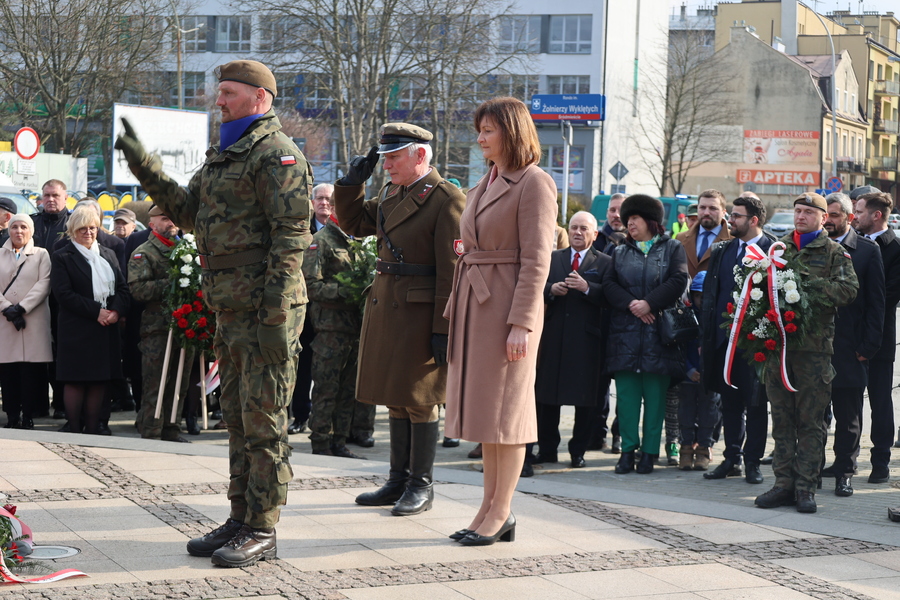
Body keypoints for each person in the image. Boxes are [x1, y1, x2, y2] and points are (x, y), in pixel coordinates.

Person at [115, 59, 313, 567]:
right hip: (230, 308)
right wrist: (143, 165)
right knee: (238, 419)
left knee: (264, 420)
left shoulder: (276, 155)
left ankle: (263, 527)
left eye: (228, 92)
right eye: (219, 92)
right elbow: (186, 211)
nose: (218, 101)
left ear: (259, 98)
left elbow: (292, 238)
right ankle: (240, 516)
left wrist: (275, 314)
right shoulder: (226, 154)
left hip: (265, 310)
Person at [334, 123, 464, 517]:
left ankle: (421, 484)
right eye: (385, 158)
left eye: (393, 157)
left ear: (419, 155)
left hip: (420, 314)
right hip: (389, 305)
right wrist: (351, 184)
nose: (386, 165)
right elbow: (354, 224)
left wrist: (444, 328)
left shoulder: (446, 198)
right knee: (395, 398)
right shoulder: (392, 193)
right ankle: (397, 479)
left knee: (420, 401)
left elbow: (452, 272)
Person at [443, 96, 557, 546]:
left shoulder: (535, 183)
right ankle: (488, 507)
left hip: (508, 310)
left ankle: (501, 510)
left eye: (488, 130)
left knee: (507, 418)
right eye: (480, 129)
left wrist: (522, 324)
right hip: (478, 307)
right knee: (489, 418)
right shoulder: (484, 183)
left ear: (511, 132)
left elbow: (537, 261)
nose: (480, 138)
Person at [754, 193, 857, 514]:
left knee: (811, 423)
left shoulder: (834, 252)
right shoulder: (778, 248)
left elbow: (848, 290)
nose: (800, 216)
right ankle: (783, 484)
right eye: (797, 211)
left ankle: (805, 488)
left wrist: (802, 285)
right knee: (782, 421)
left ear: (823, 218)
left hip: (813, 353)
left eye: (808, 212)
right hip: (779, 350)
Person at [603, 194, 689, 475]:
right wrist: (633, 305)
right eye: (627, 220)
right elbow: (609, 284)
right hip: (625, 336)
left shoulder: (672, 248)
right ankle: (627, 451)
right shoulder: (620, 251)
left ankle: (650, 452)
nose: (629, 224)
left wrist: (649, 303)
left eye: (635, 219)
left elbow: (678, 280)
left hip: (659, 337)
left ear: (650, 221)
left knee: (655, 400)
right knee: (627, 399)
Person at [701, 195, 772, 484]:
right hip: (723, 342)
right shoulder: (722, 250)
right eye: (731, 214)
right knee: (728, 404)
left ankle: (753, 461)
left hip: (757, 345)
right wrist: (708, 337)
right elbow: (712, 295)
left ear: (753, 220)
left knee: (755, 405)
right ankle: (732, 458)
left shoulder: (773, 250)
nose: (730, 220)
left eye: (736, 216)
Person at [534, 211, 610, 469]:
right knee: (547, 398)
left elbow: (610, 297)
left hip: (586, 342)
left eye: (583, 228)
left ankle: (578, 452)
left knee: (585, 400)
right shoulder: (553, 258)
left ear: (594, 234)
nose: (577, 232)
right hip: (553, 337)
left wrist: (587, 288)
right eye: (574, 227)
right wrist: (550, 289)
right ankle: (547, 450)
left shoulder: (605, 262)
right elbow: (536, 287)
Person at [820, 193, 884, 498]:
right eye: (826, 215)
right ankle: (811, 471)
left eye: (834, 215)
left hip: (850, 347)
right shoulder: (813, 247)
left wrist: (868, 346)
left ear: (849, 217)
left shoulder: (867, 251)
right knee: (815, 416)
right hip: (816, 348)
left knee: (848, 418)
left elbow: (876, 303)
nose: (828, 220)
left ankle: (844, 472)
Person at [50, 207, 130, 436]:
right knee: (75, 380)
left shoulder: (108, 254)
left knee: (99, 380)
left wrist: (115, 311)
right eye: (82, 228)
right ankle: (75, 429)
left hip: (105, 329)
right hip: (77, 328)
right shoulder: (62, 256)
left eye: (93, 228)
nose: (88, 232)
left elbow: (122, 288)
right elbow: (63, 294)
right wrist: (97, 312)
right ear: (73, 230)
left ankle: (94, 430)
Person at [128, 205, 195, 443]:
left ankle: (171, 428)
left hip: (185, 325)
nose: (171, 222)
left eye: (173, 218)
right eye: (165, 218)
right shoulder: (144, 252)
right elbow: (138, 289)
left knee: (180, 381)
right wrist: (174, 283)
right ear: (152, 224)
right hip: (158, 326)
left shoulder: (186, 249)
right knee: (155, 381)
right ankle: (151, 430)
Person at [302, 213, 367, 459]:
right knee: (326, 389)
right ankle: (320, 442)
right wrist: (345, 290)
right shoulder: (321, 241)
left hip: (355, 328)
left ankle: (339, 441)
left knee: (348, 391)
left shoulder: (357, 240)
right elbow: (311, 285)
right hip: (330, 329)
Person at [851, 188, 900, 484]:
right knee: (849, 400)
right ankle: (848, 459)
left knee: (880, 400)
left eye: (859, 212)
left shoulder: (895, 248)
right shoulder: (852, 243)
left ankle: (881, 460)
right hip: (850, 335)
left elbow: (888, 296)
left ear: (876, 215)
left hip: (879, 336)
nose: (854, 216)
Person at [288, 184, 334, 436]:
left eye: (329, 199)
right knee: (303, 365)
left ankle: (327, 420)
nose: (324, 203)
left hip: (332, 313)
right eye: (320, 198)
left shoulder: (344, 231)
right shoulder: (301, 230)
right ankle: (300, 415)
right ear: (312, 202)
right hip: (305, 311)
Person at [0, 214, 52, 429]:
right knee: (8, 372)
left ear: (31, 231)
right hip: (5, 321)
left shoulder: (41, 254)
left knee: (31, 372)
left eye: (23, 227)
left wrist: (22, 308)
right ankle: (12, 415)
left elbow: (44, 283)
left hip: (32, 319)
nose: (19, 231)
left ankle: (29, 415)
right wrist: (7, 309)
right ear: (8, 230)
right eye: (14, 227)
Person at [677, 271, 719, 471]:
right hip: (688, 375)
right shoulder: (685, 316)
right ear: (691, 295)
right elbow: (679, 347)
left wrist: (709, 371)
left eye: (705, 295)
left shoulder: (718, 317)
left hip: (709, 376)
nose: (701, 300)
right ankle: (685, 448)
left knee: (709, 412)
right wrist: (689, 370)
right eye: (697, 296)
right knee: (686, 411)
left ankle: (704, 448)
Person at [676, 189, 733, 279]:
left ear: (723, 213)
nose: (706, 213)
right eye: (702, 207)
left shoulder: (733, 240)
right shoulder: (681, 238)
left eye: (713, 208)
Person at [32, 179, 70, 249]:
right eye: (47, 195)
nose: (50, 199)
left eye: (55, 195)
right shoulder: (32, 222)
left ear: (65, 198)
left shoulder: (73, 222)